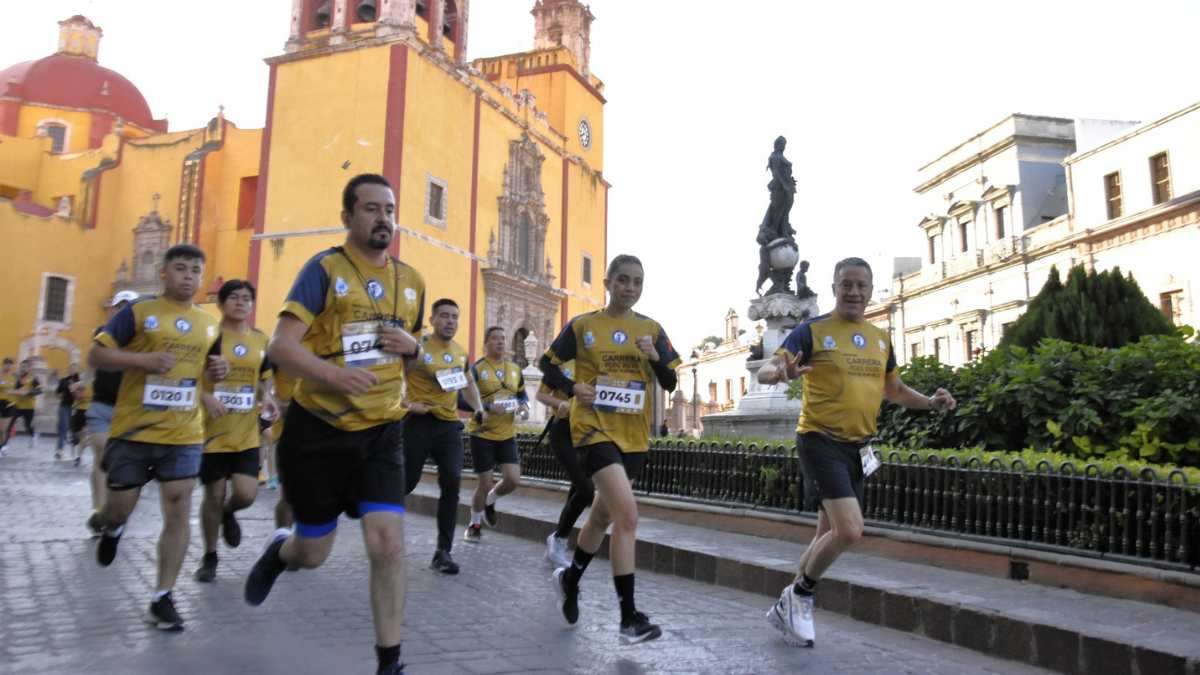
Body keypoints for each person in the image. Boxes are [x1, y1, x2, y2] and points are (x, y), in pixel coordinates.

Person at [243, 173, 423, 675]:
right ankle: (283, 552)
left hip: (383, 431)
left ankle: (390, 662)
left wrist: (416, 349)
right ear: (347, 218)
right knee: (314, 552)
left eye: (389, 208)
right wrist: (334, 377)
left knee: (387, 544)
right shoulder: (323, 269)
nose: (383, 217)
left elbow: (410, 351)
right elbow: (280, 346)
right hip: (318, 430)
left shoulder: (412, 282)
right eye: (370, 208)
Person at [757, 257, 957, 648]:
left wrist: (931, 402)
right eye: (846, 284)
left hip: (858, 448)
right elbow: (768, 368)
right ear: (834, 287)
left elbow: (894, 390)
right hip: (819, 439)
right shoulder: (810, 331)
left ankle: (789, 600)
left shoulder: (880, 338)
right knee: (850, 529)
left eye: (861, 286)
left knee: (827, 534)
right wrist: (781, 372)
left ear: (869, 290)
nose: (854, 292)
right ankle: (800, 596)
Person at [539, 254, 681, 644]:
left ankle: (570, 579)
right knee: (628, 517)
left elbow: (670, 382)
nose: (630, 288)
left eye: (637, 282)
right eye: (622, 280)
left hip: (632, 437)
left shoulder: (651, 329)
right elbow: (546, 365)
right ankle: (628, 618)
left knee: (602, 518)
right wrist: (573, 388)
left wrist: (655, 358)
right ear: (607, 282)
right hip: (593, 430)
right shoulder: (583, 326)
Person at [89, 244, 226, 632]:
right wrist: (141, 361)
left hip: (184, 433)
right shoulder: (138, 312)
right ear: (163, 273)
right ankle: (113, 526)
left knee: (179, 505)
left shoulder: (209, 324)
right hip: (134, 431)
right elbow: (96, 355)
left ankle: (162, 597)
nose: (188, 276)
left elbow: (208, 374)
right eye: (180, 268)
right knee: (118, 507)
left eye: (195, 271)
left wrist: (219, 369)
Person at [194, 280, 278, 583]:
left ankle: (230, 513)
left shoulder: (259, 340)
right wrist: (206, 396)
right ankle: (209, 556)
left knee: (245, 494)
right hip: (212, 432)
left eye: (246, 298)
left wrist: (266, 396)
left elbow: (264, 377)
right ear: (221, 303)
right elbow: (190, 375)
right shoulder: (209, 336)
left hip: (246, 433)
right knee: (212, 496)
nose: (240, 303)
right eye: (234, 297)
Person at [401, 298, 486, 573]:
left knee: (452, 481)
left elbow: (469, 384)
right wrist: (408, 405)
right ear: (432, 319)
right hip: (418, 423)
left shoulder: (460, 353)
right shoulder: (418, 347)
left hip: (448, 427)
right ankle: (382, 526)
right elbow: (394, 379)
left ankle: (443, 552)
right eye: (445, 316)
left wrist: (479, 408)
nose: (450, 321)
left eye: (455, 317)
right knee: (406, 483)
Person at [462, 326, 527, 543]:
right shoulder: (477, 369)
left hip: (507, 434)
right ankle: (475, 524)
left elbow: (522, 395)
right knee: (485, 482)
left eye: (503, 338)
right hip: (481, 434)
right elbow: (462, 399)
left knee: (512, 480)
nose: (500, 342)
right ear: (486, 343)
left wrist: (523, 407)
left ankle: (491, 500)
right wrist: (487, 407)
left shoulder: (515, 368)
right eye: (495, 339)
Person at [84, 290, 138, 535]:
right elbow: (92, 364)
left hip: (129, 410)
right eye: (121, 305)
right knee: (101, 457)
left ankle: (114, 511)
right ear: (114, 309)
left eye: (130, 306)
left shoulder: (143, 340)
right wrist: (83, 385)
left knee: (120, 464)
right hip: (101, 405)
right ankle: (98, 509)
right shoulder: (101, 334)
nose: (125, 310)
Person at [535, 358, 590, 569]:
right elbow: (540, 394)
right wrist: (561, 404)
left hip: (587, 432)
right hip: (563, 430)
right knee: (586, 489)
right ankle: (559, 539)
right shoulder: (559, 365)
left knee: (577, 489)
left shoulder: (594, 361)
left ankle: (557, 542)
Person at [5, 362, 41, 450]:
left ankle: (33, 435)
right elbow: (12, 389)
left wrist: (28, 392)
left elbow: (39, 391)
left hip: (29, 407)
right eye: (21, 367)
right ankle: (5, 445)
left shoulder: (33, 379)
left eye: (25, 367)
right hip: (16, 406)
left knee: (27, 425)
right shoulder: (16, 378)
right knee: (9, 425)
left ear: (28, 368)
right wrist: (12, 391)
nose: (23, 369)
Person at [55, 365, 81, 460]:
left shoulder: (80, 381)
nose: (72, 370)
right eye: (71, 369)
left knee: (75, 431)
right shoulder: (64, 380)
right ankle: (59, 450)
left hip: (77, 408)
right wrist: (61, 397)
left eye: (74, 369)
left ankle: (75, 452)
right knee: (64, 428)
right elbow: (57, 392)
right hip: (65, 406)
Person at [69, 377, 91, 466]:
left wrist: (74, 391)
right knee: (78, 435)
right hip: (80, 411)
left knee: (82, 435)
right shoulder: (79, 384)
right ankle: (83, 446)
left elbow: (79, 397)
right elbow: (76, 396)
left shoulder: (89, 385)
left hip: (84, 411)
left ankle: (78, 456)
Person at [0, 358, 17, 456]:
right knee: (0, 428)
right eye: (7, 364)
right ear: (3, 365)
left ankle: (3, 446)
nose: (9, 366)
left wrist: (14, 392)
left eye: (10, 365)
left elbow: (17, 390)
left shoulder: (14, 377)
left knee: (4, 429)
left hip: (9, 404)